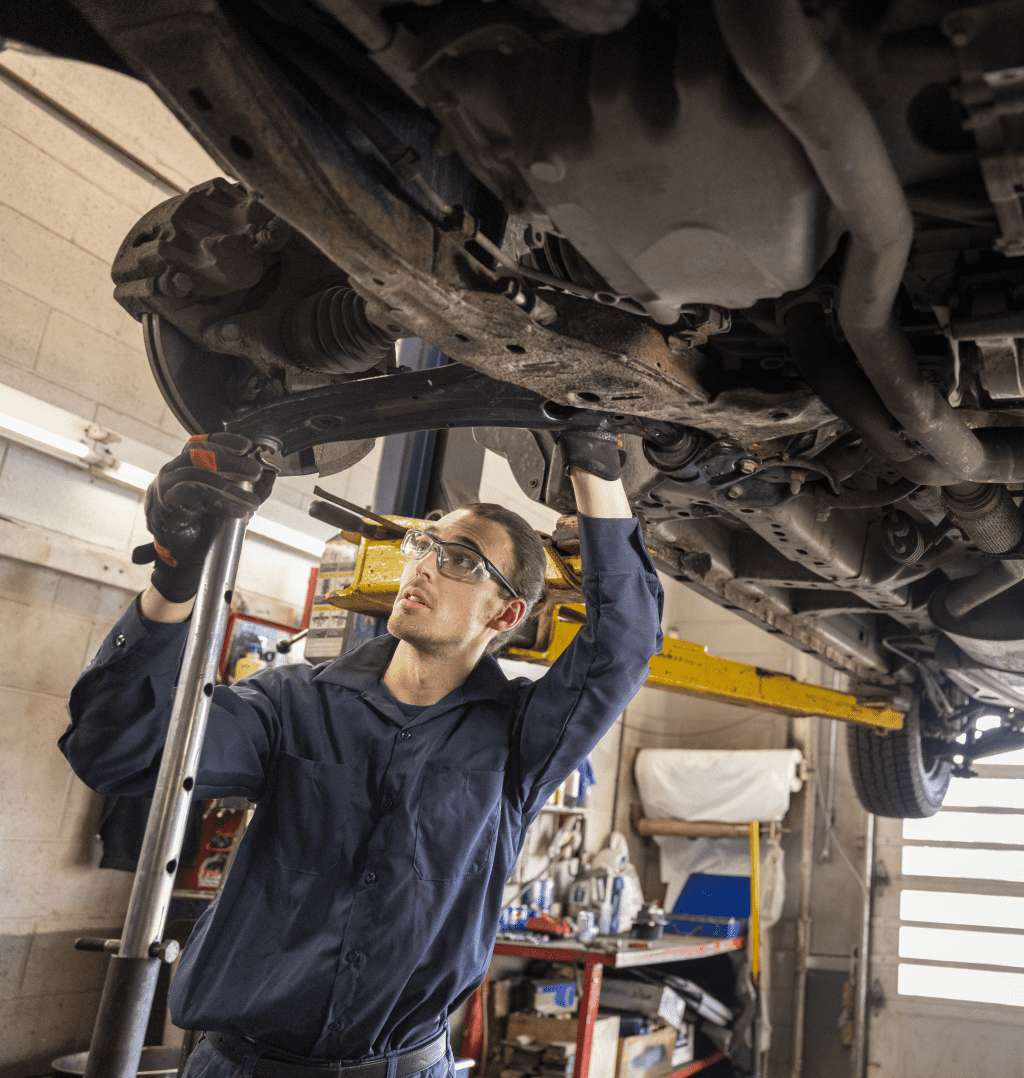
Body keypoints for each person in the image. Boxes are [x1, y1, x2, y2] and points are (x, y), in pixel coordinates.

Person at [61, 428, 664, 1078]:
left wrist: (595, 465)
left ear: (504, 614)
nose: (425, 565)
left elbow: (621, 647)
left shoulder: (520, 742)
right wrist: (173, 579)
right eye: (425, 547)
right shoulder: (292, 704)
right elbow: (122, 752)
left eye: (459, 560)